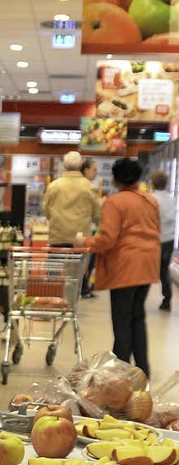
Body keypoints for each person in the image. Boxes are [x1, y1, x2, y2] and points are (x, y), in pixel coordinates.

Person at [74, 158, 160, 377]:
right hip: (147, 265)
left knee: (121, 320)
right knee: (137, 319)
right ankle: (142, 370)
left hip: (125, 267)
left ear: (116, 178)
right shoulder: (150, 200)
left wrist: (85, 242)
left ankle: (120, 373)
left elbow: (108, 239)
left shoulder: (115, 202)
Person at [43, 150, 101, 247]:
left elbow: (46, 213)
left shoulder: (53, 186)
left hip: (57, 239)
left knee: (57, 262)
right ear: (80, 166)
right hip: (80, 240)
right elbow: (96, 213)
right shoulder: (88, 186)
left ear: (64, 166)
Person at [148, 169, 176, 311]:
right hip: (169, 240)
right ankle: (167, 300)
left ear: (152, 183)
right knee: (164, 270)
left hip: (155, 240)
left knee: (146, 269)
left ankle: (139, 299)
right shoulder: (172, 198)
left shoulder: (151, 199)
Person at [79, 157, 100, 299]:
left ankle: (84, 287)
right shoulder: (88, 187)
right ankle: (84, 288)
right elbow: (96, 211)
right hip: (86, 229)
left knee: (86, 261)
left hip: (81, 229)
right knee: (87, 261)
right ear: (86, 170)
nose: (96, 173)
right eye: (94, 170)